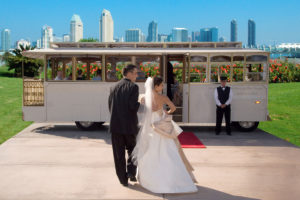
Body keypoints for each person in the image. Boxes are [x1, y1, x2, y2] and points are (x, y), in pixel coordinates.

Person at [132, 76, 198, 193]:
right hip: (161, 126)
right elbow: (173, 108)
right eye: (161, 85)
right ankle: (174, 179)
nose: (163, 87)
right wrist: (166, 112)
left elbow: (140, 110)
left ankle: (148, 179)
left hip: (149, 127)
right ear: (156, 86)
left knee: (149, 151)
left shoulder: (143, 97)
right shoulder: (163, 97)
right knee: (169, 151)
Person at [108, 64, 140, 187]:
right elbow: (133, 106)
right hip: (130, 126)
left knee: (118, 155)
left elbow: (110, 106)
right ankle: (131, 172)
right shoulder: (133, 87)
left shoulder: (113, 86)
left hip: (115, 126)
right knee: (133, 150)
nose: (137, 76)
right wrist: (140, 103)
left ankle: (123, 180)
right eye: (135, 73)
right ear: (129, 73)